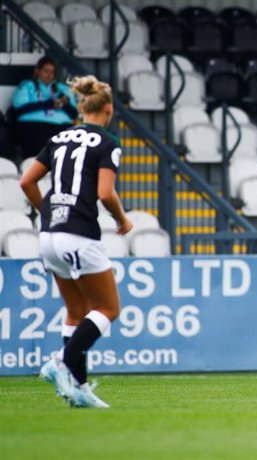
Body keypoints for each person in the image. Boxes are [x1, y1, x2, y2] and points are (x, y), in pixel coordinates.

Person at [20, 75, 132, 408]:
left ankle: (79, 389)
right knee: (108, 308)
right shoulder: (108, 142)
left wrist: (48, 211)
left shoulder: (58, 137)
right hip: (79, 234)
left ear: (82, 107)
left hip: (49, 234)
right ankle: (61, 362)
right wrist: (122, 219)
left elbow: (26, 180)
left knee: (76, 311)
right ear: (108, 109)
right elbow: (104, 193)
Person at [11, 56, 78, 159]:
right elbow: (19, 109)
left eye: (52, 72)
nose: (49, 75)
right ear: (37, 71)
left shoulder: (63, 89)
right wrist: (48, 104)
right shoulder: (27, 86)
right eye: (45, 71)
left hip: (61, 128)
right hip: (33, 127)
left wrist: (64, 104)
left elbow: (74, 113)